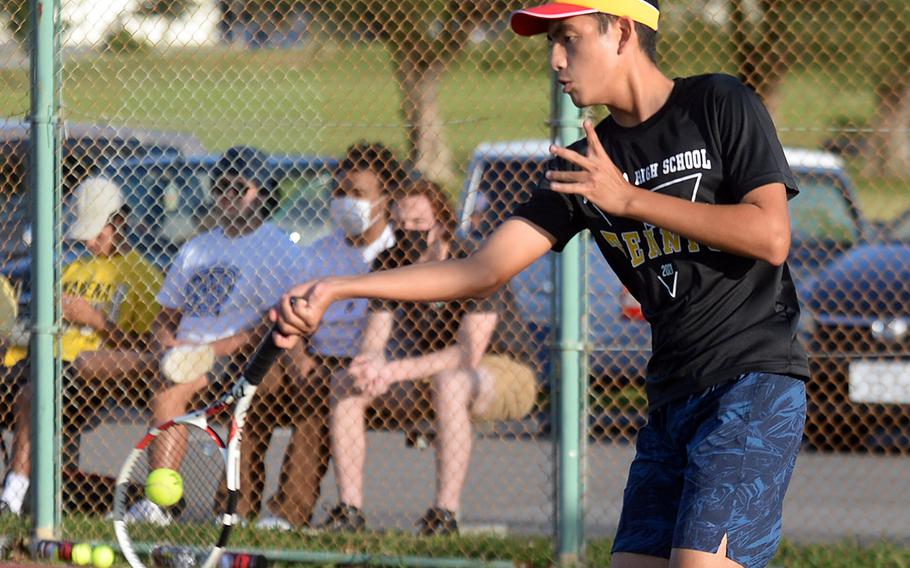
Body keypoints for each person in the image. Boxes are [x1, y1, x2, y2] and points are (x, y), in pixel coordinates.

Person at [272, 1, 810, 565]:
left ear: (622, 31)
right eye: (550, 43)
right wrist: (340, 287)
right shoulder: (581, 165)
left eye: (569, 39)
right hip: (673, 396)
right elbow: (482, 270)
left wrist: (627, 199)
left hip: (752, 383)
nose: (555, 60)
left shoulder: (718, 102)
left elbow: (770, 235)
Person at [323, 180, 537, 535]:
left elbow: (469, 353)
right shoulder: (391, 261)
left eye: (418, 225)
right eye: (400, 224)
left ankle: (444, 514)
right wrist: (370, 363)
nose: (408, 233)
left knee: (450, 383)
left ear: (441, 224)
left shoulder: (471, 260)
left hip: (503, 368)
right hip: (431, 369)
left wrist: (393, 371)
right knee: (346, 383)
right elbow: (376, 335)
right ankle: (350, 510)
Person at [125, 146, 302, 525]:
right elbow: (166, 316)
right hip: (185, 352)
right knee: (153, 387)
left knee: (171, 394)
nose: (226, 196)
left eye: (239, 188)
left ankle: (162, 502)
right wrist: (166, 343)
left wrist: (215, 349)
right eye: (220, 187)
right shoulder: (196, 248)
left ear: (263, 192)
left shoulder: (279, 249)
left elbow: (278, 322)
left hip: (238, 354)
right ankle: (162, 501)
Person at [247, 142, 404, 530]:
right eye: (339, 192)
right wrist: (298, 356)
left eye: (358, 194)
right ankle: (233, 505)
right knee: (258, 381)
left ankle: (289, 513)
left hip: (361, 362)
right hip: (311, 353)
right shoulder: (318, 253)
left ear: (385, 199)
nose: (346, 201)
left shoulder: (396, 254)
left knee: (321, 390)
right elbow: (291, 311)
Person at [0, 177, 163, 516]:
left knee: (34, 393)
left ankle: (11, 496)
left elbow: (147, 349)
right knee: (28, 384)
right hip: (37, 362)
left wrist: (95, 320)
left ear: (120, 222)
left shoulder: (143, 276)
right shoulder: (72, 268)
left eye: (98, 232)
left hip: (85, 377)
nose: (89, 241)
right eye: (86, 233)